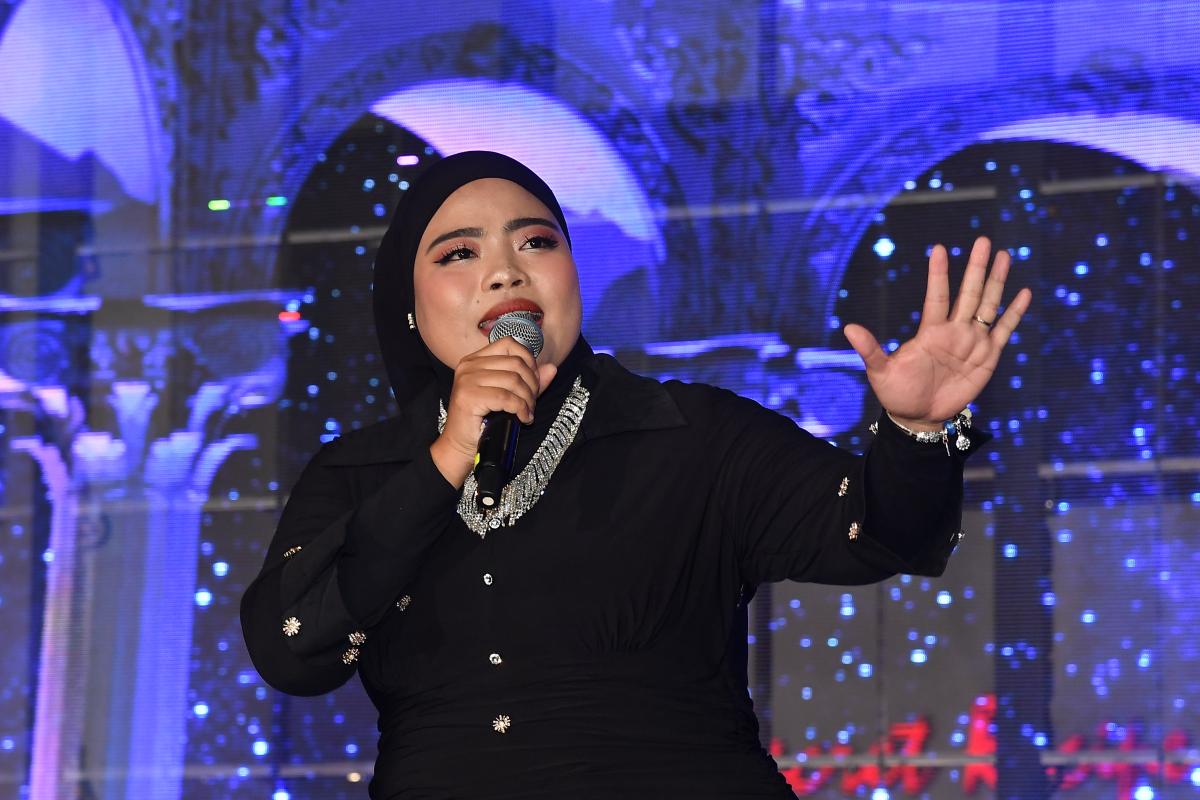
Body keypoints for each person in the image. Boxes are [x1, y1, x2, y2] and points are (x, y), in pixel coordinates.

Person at [240, 150, 1030, 798]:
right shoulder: (360, 473)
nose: (506, 273)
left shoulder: (691, 435)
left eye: (536, 242)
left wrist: (917, 433)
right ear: (409, 310)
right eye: (459, 253)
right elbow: (289, 649)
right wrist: (446, 460)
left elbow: (879, 533)